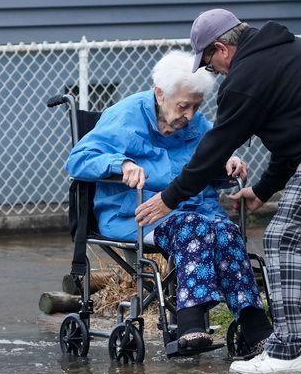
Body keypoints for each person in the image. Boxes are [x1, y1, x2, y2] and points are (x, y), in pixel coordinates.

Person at [135, 9, 301, 374]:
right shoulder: (291, 51)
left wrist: (170, 197)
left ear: (223, 49)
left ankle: (288, 351)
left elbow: (216, 147)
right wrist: (263, 189)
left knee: (286, 237)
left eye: (209, 64)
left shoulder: (246, 77)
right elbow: (294, 141)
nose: (214, 72)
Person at [65, 51, 273, 357]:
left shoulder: (196, 123)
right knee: (194, 228)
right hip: (137, 214)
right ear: (160, 94)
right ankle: (190, 325)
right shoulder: (125, 116)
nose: (190, 115)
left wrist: (227, 162)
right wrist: (120, 164)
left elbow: (208, 160)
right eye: (183, 106)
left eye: (196, 106)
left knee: (226, 231)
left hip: (193, 213)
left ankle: (255, 326)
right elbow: (78, 159)